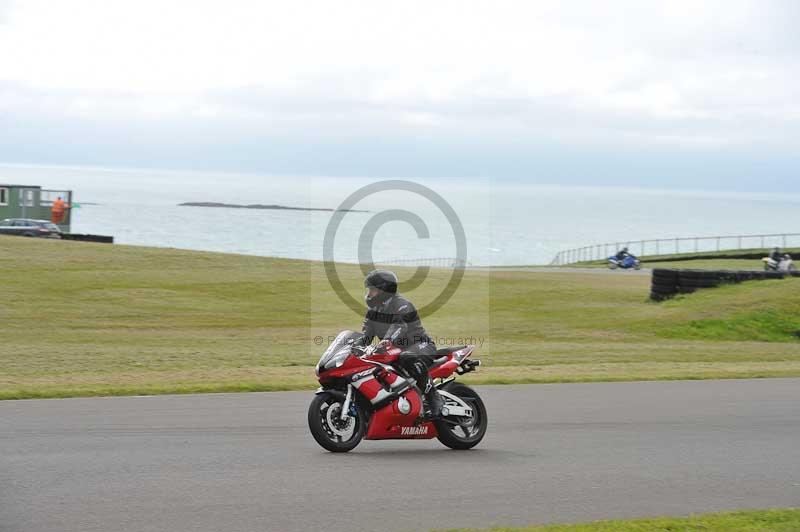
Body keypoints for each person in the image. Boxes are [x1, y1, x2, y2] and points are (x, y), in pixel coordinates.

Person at [361, 269, 443, 419]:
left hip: (421, 345)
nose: (369, 293)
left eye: (372, 290)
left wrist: (387, 340)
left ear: (384, 290)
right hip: (394, 350)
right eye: (369, 290)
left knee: (408, 356)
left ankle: (434, 397)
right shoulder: (372, 311)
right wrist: (353, 347)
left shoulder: (402, 305)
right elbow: (365, 336)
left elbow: (400, 325)